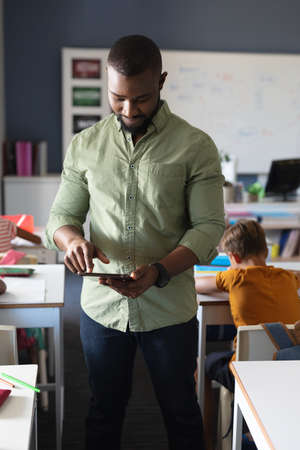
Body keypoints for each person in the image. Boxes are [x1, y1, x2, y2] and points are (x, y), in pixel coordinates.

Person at [45, 34, 225, 450]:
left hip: (169, 308)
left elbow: (209, 226)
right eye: (118, 98)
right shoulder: (85, 146)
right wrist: (71, 241)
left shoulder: (195, 147)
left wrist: (159, 271)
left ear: (161, 82)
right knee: (102, 411)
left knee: (180, 412)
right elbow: (61, 218)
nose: (128, 110)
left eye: (140, 99)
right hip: (101, 309)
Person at [195, 219, 300, 443]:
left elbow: (197, 285)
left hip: (247, 372)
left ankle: (207, 437)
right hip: (289, 368)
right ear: (265, 250)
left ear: (233, 258)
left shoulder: (234, 277)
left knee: (202, 363)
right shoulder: (288, 277)